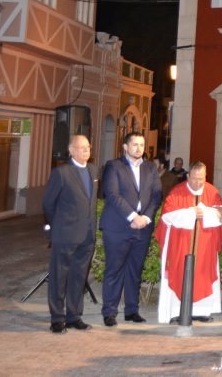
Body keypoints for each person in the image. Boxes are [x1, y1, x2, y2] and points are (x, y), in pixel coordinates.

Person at [99, 131, 162, 327]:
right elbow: (112, 194)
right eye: (135, 144)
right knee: (115, 269)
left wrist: (146, 218)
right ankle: (109, 312)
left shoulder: (150, 168)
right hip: (118, 227)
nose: (139, 148)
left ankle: (132, 310)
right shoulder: (113, 166)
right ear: (125, 147)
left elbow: (156, 195)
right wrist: (133, 217)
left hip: (142, 228)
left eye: (141, 145)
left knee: (135, 270)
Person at [154, 161, 222, 324]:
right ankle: (177, 311)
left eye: (201, 179)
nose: (198, 182)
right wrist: (190, 213)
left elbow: (221, 214)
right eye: (194, 178)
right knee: (179, 273)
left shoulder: (212, 192)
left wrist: (207, 213)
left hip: (205, 247)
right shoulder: (177, 192)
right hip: (181, 244)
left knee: (203, 275)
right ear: (188, 176)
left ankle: (201, 311)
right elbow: (167, 216)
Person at [42, 135, 98, 333]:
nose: (86, 150)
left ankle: (74, 316)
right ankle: (57, 318)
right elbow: (48, 204)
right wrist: (57, 226)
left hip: (87, 235)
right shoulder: (61, 172)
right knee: (59, 277)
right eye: (81, 147)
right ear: (71, 150)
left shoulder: (93, 170)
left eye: (88, 147)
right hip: (65, 234)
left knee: (78, 277)